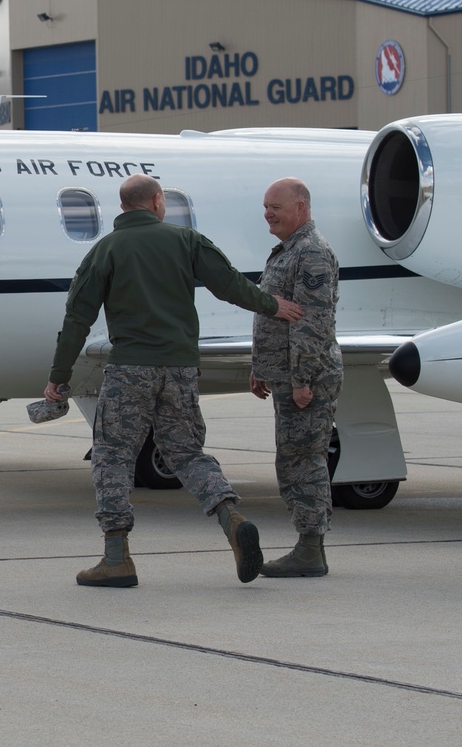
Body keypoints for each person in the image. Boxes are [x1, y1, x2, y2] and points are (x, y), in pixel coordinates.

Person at [44, 174, 303, 588]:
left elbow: (77, 319)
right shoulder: (186, 241)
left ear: (124, 206)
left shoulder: (104, 251)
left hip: (130, 369)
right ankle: (230, 517)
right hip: (181, 369)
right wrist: (274, 305)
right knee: (186, 453)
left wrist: (58, 379)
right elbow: (230, 285)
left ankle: (116, 559)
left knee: (113, 457)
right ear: (157, 202)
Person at [250, 177, 343, 577]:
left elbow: (312, 322)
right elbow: (275, 315)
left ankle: (310, 550)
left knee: (304, 461)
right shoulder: (289, 251)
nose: (268, 213)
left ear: (301, 208)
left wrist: (302, 378)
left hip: (307, 377)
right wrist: (262, 368)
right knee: (293, 460)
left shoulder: (312, 253)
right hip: (286, 375)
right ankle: (308, 545)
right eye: (266, 207)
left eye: (276, 207)